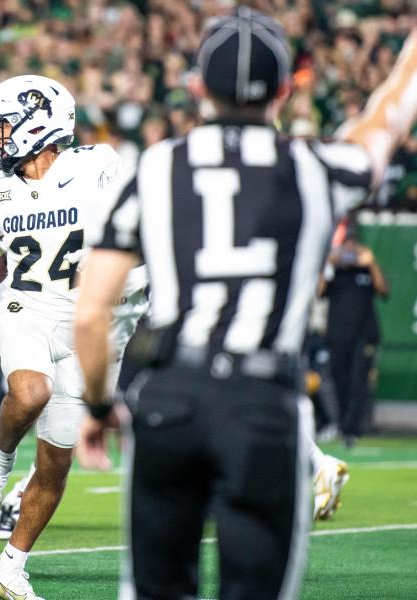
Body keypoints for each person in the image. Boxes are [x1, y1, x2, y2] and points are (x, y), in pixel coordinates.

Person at [75, 9, 417, 599]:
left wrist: (100, 404)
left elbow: (89, 311)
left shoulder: (155, 168)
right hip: (265, 403)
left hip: (171, 397)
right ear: (284, 90)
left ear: (197, 86)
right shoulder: (315, 167)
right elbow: (384, 122)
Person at [0, 74, 140, 599]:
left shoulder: (98, 167)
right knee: (30, 393)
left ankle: (10, 567)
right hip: (26, 303)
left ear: (41, 124)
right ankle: (0, 460)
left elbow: (134, 226)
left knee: (56, 460)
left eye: (4, 126)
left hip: (91, 320)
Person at [322, 225, 388, 447]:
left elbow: (384, 291)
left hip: (364, 334)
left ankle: (352, 430)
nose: (349, 250)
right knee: (340, 379)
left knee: (359, 381)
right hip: (338, 334)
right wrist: (329, 264)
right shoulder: (336, 272)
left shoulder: (366, 270)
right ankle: (341, 425)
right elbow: (319, 292)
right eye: (345, 246)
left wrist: (371, 263)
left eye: (353, 245)